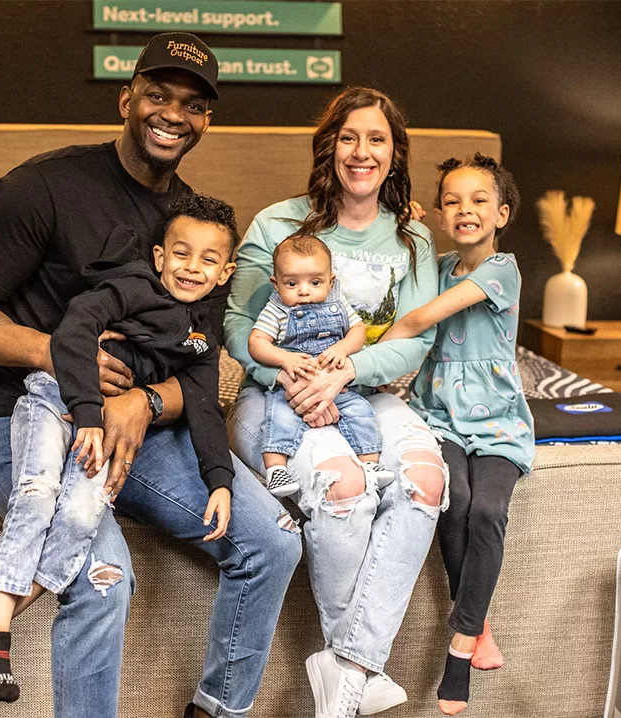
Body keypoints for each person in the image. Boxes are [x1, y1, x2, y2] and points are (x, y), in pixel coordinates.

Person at [0, 31, 302, 718]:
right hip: (17, 413)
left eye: (192, 104)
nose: (173, 113)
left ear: (206, 122)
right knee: (103, 577)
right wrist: (59, 354)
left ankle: (216, 710)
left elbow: (199, 360)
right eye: (158, 95)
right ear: (126, 99)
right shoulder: (42, 186)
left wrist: (144, 400)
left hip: (134, 429)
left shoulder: (199, 230)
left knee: (274, 540)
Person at [0, 193, 239, 703]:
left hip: (101, 427)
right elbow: (74, 329)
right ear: (158, 256)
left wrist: (220, 481)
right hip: (57, 401)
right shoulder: (132, 287)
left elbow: (202, 407)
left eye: (208, 260)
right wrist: (86, 413)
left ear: (225, 272)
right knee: (39, 492)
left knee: (82, 514)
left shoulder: (198, 338)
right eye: (180, 253)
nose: (191, 267)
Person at [225, 86, 448, 718]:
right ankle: (355, 678)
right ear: (329, 146)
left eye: (377, 138)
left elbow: (414, 341)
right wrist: (296, 377)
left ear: (394, 153)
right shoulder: (277, 224)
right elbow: (236, 327)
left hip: (366, 393)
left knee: (426, 482)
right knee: (346, 488)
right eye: (349, 136)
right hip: (276, 398)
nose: (362, 151)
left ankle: (346, 669)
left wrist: (343, 372)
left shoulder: (411, 239)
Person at [382, 154, 535, 715]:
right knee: (455, 500)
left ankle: (460, 647)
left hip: (496, 424)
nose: (465, 209)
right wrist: (413, 229)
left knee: (487, 511)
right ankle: (478, 619)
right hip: (439, 414)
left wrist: (377, 342)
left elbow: (420, 318)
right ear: (441, 214)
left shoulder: (502, 269)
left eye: (478, 200)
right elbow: (397, 272)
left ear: (502, 213)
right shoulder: (437, 265)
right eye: (452, 201)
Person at [248, 232, 393, 498]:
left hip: (340, 388)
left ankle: (370, 463)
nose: (304, 291)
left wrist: (343, 348)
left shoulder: (338, 303)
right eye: (291, 283)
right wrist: (284, 358)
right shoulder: (277, 310)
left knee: (361, 411)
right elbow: (257, 341)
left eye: (315, 282)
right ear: (276, 284)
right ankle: (276, 470)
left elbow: (358, 331)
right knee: (278, 417)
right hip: (293, 392)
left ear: (330, 281)